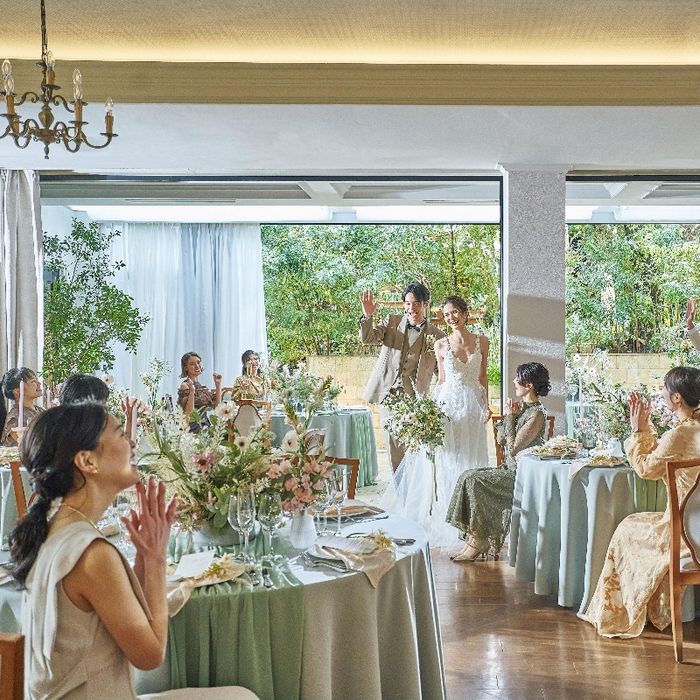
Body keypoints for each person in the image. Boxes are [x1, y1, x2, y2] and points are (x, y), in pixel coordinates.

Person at [9, 402, 178, 697]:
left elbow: (127, 616)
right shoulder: (91, 555)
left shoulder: (53, 528)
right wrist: (157, 559)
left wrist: (144, 555)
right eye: (120, 434)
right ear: (87, 461)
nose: (132, 442)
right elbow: (150, 655)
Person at [580, 366, 700, 638]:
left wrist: (638, 431)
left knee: (626, 526)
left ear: (677, 398)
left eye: (665, 389)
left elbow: (646, 469)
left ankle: (621, 613)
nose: (662, 393)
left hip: (685, 536)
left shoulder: (679, 435)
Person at [384, 296, 490, 549]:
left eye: (455, 312)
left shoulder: (482, 341)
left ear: (465, 313)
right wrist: (428, 412)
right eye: (446, 314)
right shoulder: (440, 344)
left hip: (473, 409)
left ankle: (473, 523)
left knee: (471, 460)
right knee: (448, 460)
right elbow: (441, 381)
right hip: (448, 408)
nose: (451, 317)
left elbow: (483, 376)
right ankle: (450, 520)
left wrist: (487, 406)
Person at [446, 362, 550, 561]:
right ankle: (475, 540)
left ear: (529, 385)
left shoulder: (537, 414)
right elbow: (501, 439)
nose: (514, 382)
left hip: (521, 476)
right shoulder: (523, 409)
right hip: (508, 469)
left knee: (474, 480)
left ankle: (478, 543)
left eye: (518, 379)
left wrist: (510, 418)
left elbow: (513, 448)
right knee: (467, 475)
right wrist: (512, 416)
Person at [360, 283, 446, 471]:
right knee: (394, 446)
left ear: (425, 304)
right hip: (389, 394)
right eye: (407, 304)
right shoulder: (392, 322)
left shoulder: (437, 335)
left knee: (415, 447)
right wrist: (368, 317)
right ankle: (398, 487)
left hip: (415, 398)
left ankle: (415, 486)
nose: (411, 308)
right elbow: (368, 339)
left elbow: (441, 372)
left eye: (416, 304)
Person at [176, 352, 222, 430]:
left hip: (205, 427)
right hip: (193, 429)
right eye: (192, 364)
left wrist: (218, 385)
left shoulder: (200, 386)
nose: (197, 366)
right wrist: (192, 391)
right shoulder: (185, 386)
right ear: (186, 368)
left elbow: (217, 407)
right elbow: (188, 413)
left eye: (198, 362)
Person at [1, 367, 44, 446]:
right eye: (33, 381)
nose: (39, 383)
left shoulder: (41, 410)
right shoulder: (15, 417)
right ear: (17, 391)